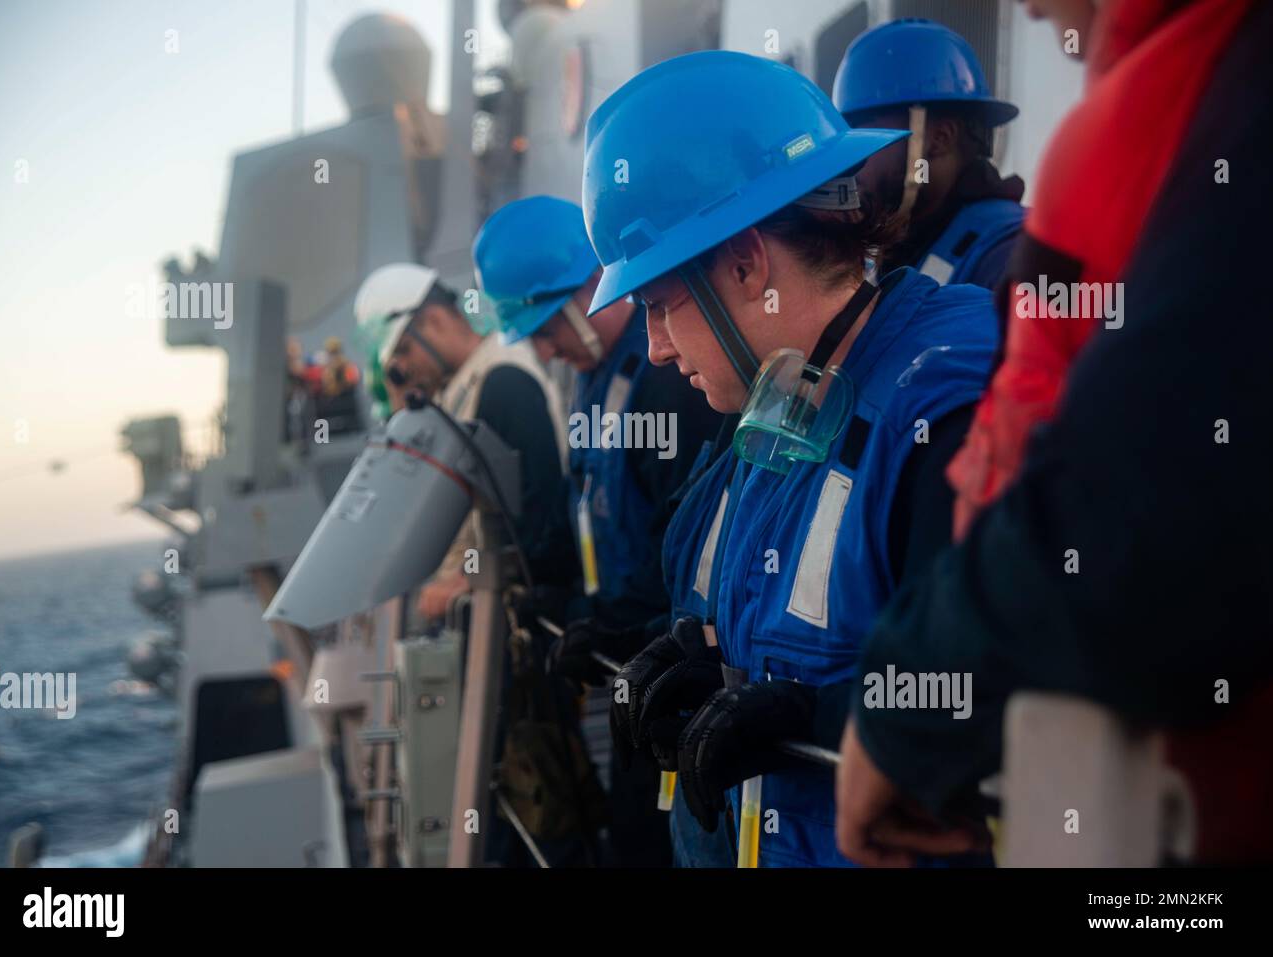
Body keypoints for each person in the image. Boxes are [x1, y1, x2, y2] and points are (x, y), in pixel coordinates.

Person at [835, 0, 1273, 866]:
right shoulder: (1183, 92)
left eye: (872, 145)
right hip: (1044, 740)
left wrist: (916, 695)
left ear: (940, 139)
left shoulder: (1219, 101)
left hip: (1150, 788)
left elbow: (1148, 507)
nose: (1029, 6)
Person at [584, 49, 1000, 866]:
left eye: (660, 306)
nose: (656, 350)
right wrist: (710, 666)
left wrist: (814, 717)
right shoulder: (781, 413)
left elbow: (1003, 698)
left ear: (746, 262)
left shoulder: (944, 400)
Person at [473, 195, 722, 867]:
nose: (543, 347)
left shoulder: (667, 378)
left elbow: (687, 534)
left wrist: (611, 620)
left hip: (678, 673)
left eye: (547, 325)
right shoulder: (594, 381)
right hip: (631, 664)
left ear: (589, 285)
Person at [351, 263, 567, 620]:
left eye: (404, 351)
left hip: (525, 616)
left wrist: (467, 579)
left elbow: (537, 519)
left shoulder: (502, 380)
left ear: (435, 321)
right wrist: (403, 411)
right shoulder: (461, 390)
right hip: (489, 615)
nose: (404, 369)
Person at [833, 19, 1025, 290]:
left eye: (866, 135)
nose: (852, 162)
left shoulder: (1008, 254)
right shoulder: (903, 250)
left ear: (939, 138)